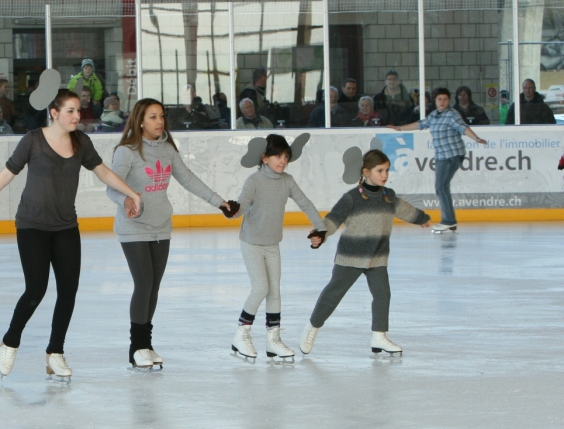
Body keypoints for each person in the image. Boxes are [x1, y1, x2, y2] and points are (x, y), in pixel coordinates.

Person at [0, 88, 143, 382]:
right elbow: (7, 173)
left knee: (68, 291)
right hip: (32, 225)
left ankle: (55, 352)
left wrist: (132, 193)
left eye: (78, 110)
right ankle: (10, 340)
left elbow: (103, 172)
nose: (76, 115)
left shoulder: (81, 142)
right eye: (70, 111)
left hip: (65, 227)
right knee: (36, 290)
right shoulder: (33, 140)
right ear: (54, 113)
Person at [107, 98, 227, 369]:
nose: (159, 121)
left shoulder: (168, 149)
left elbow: (188, 179)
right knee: (143, 283)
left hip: (161, 226)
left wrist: (219, 202)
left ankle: (147, 345)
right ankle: (136, 347)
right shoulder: (126, 151)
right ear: (140, 121)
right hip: (134, 227)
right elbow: (111, 186)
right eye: (152, 117)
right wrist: (125, 200)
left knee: (154, 287)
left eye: (161, 116)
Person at [300, 150, 431, 358]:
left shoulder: (388, 197)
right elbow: (333, 219)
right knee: (334, 294)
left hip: (377, 256)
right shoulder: (352, 198)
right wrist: (320, 234)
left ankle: (379, 336)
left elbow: (406, 210)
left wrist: (421, 218)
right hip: (351, 255)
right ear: (366, 172)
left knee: (382, 294)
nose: (384, 175)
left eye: (387, 170)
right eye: (380, 170)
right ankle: (312, 326)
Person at [222, 134, 327, 362]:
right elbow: (242, 205)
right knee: (261, 287)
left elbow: (305, 203)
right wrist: (233, 211)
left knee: (274, 291)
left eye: (286, 156)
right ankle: (241, 334)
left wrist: (320, 229)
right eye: (277, 156)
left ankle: (273, 340)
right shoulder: (254, 181)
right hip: (251, 242)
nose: (282, 161)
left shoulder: (287, 181)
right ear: (265, 158)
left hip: (272, 244)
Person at [388, 87, 488, 234]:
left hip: (453, 155)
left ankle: (448, 221)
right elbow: (420, 124)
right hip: (441, 156)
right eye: (439, 99)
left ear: (449, 101)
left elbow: (463, 128)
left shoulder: (452, 115)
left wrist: (476, 138)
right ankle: (450, 221)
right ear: (435, 101)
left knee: (441, 186)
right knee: (440, 187)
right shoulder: (434, 115)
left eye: (445, 99)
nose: (442, 102)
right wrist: (399, 128)